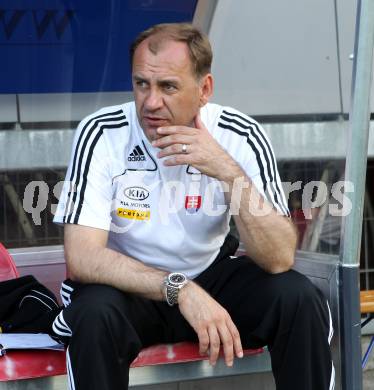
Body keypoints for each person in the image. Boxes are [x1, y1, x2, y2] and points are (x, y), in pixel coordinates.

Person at [53, 23, 334, 390]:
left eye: (168, 86)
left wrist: (225, 170)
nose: (151, 102)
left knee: (298, 298)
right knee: (92, 314)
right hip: (131, 288)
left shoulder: (238, 134)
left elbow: (279, 257)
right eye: (142, 84)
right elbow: (83, 258)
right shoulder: (103, 132)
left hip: (212, 276)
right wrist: (181, 289)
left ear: (204, 90)